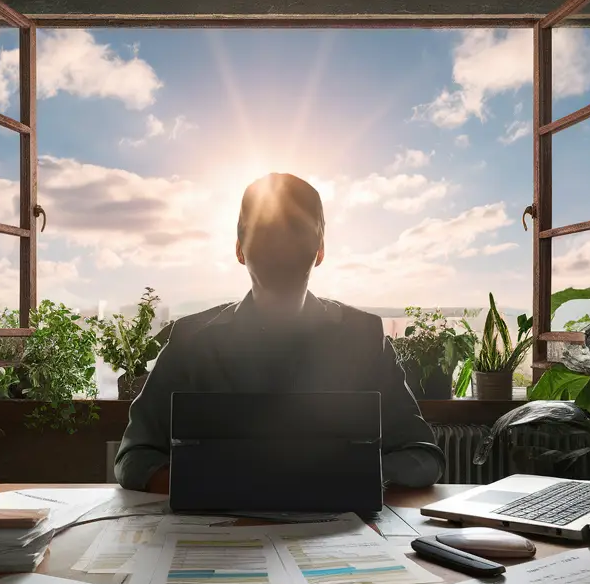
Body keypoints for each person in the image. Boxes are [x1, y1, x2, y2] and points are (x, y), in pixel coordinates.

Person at [114, 173, 444, 493]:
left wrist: (346, 479)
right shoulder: (190, 341)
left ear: (320, 250)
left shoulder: (364, 338)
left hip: (334, 540)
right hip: (219, 540)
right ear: (240, 249)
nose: (281, 239)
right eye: (265, 228)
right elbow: (135, 456)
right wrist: (218, 487)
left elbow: (423, 455)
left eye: (297, 227)